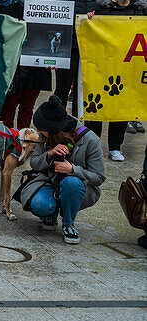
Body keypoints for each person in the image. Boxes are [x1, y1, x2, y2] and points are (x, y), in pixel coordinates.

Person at [19, 95, 105, 245]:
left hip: (78, 186)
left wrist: (73, 169)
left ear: (54, 131)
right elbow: (34, 164)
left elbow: (99, 177)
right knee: (39, 204)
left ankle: (68, 223)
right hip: (50, 182)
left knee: (71, 182)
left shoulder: (90, 140)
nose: (38, 131)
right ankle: (50, 213)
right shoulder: (45, 137)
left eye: (41, 129)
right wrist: (49, 154)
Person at [87, 0, 146, 162]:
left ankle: (115, 147)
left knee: (121, 106)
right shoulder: (101, 8)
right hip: (104, 63)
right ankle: (93, 145)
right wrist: (89, 21)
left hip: (128, 65)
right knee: (95, 105)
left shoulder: (141, 9)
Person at [0, 0, 55, 129]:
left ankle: (23, 138)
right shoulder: (13, 9)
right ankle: (8, 138)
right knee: (9, 107)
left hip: (37, 67)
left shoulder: (49, 9)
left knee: (27, 107)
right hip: (16, 66)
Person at [54, 0, 102, 103]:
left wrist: (98, 14)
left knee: (83, 91)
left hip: (91, 50)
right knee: (62, 90)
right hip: (68, 50)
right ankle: (59, 122)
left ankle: (78, 124)